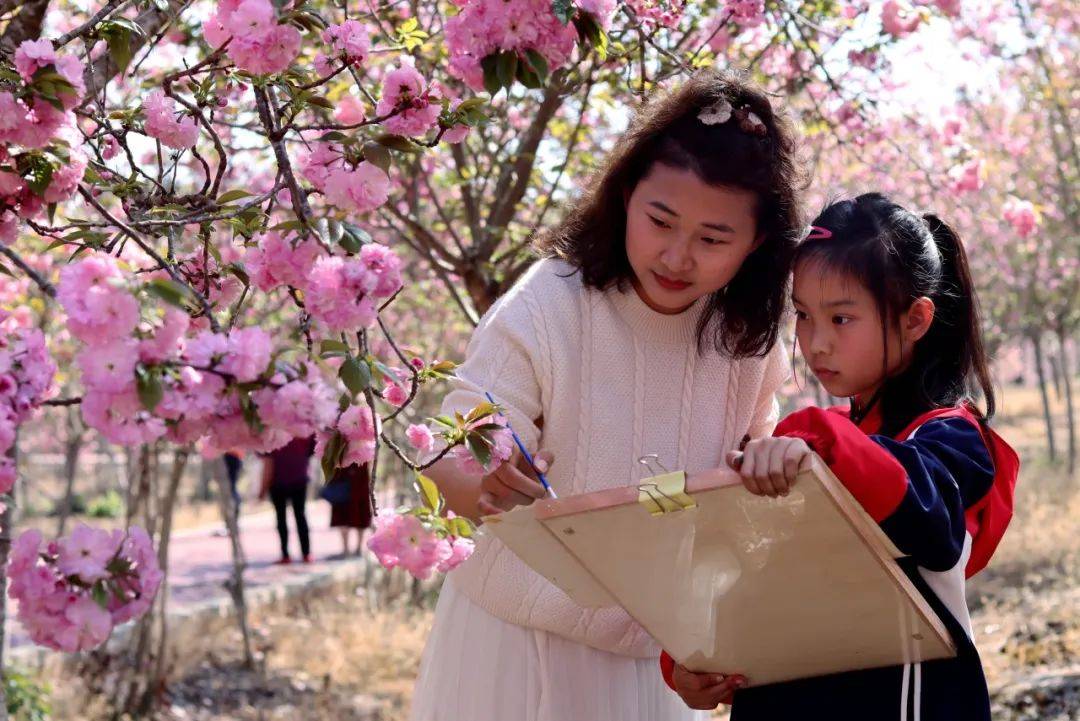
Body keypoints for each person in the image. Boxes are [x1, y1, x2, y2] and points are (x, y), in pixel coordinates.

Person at [409, 68, 808, 721]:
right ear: (625, 196)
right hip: (516, 645)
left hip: (650, 663)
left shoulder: (748, 346)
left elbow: (740, 505)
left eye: (712, 239)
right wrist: (477, 475)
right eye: (661, 220)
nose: (678, 256)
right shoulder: (547, 306)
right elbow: (456, 456)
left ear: (757, 243)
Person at [663, 193, 1019, 720]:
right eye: (804, 316)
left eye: (842, 318)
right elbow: (752, 563)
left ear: (916, 319)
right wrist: (693, 655)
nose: (816, 342)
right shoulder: (817, 444)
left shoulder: (949, 437)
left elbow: (932, 525)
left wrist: (817, 437)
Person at [259, 435, 316, 564]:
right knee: (299, 516)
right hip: (295, 480)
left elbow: (268, 463)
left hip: (281, 481)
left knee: (282, 518)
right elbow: (312, 451)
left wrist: (262, 490)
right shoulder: (305, 428)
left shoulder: (271, 430)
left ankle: (287, 555)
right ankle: (305, 554)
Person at [328, 462, 373, 557]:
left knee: (359, 513)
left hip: (358, 480)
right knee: (343, 513)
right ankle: (347, 549)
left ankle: (357, 548)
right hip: (343, 478)